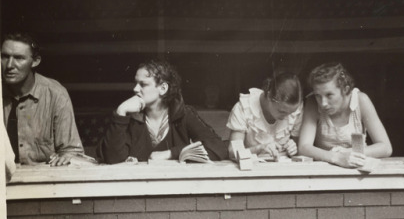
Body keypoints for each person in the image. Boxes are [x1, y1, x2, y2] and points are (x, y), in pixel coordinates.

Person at [97, 59, 228, 163]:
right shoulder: (131, 117)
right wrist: (121, 111)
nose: (135, 89)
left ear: (163, 88)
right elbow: (112, 158)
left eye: (143, 84)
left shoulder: (183, 114)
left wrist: (171, 154)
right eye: (136, 83)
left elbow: (219, 148)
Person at [1, 33, 83, 166]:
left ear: (35, 61)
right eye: (4, 56)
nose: (9, 65)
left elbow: (72, 151)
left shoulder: (55, 94)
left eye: (19, 58)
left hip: (43, 179)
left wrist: (66, 158)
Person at [298, 62, 392, 168]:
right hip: (326, 167)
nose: (323, 103)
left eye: (329, 95)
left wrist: (348, 153)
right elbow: (303, 147)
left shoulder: (361, 100)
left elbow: (386, 147)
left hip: (357, 167)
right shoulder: (313, 103)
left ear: (345, 90)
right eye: (318, 95)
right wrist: (336, 158)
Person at [227, 72, 303, 160]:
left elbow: (298, 150)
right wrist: (259, 148)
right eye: (282, 111)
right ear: (269, 96)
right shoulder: (244, 108)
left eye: (291, 112)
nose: (286, 117)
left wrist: (293, 148)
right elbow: (233, 152)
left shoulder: (295, 111)